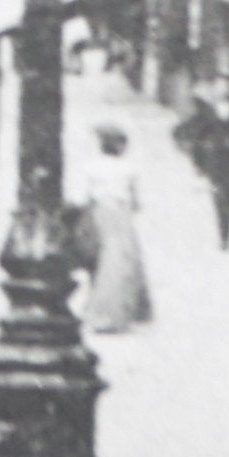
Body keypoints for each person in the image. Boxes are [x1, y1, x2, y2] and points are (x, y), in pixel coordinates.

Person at [77, 125, 151, 333]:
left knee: (100, 261)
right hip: (120, 214)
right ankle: (118, 312)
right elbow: (135, 200)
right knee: (122, 262)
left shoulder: (90, 166)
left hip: (98, 213)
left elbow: (85, 196)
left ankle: (96, 308)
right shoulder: (128, 168)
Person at [173, 75, 229, 251]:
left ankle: (228, 225)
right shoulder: (207, 113)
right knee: (219, 197)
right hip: (216, 159)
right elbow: (184, 130)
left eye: (225, 86)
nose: (221, 90)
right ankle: (225, 235)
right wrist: (192, 148)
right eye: (218, 86)